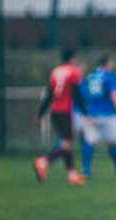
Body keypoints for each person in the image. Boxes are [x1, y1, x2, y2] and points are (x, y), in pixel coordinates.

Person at [33, 48, 89, 185]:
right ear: (73, 57)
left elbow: (48, 96)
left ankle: (71, 174)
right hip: (64, 111)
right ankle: (43, 161)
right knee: (66, 144)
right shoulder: (74, 72)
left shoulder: (55, 72)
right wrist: (85, 113)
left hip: (54, 111)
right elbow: (76, 95)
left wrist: (40, 115)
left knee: (66, 143)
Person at [80, 54, 116, 177]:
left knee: (90, 140)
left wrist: (87, 112)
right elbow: (114, 95)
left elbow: (84, 95)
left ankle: (85, 169)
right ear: (107, 63)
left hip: (92, 114)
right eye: (111, 62)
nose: (113, 64)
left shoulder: (90, 76)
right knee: (113, 141)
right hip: (107, 114)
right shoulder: (109, 76)